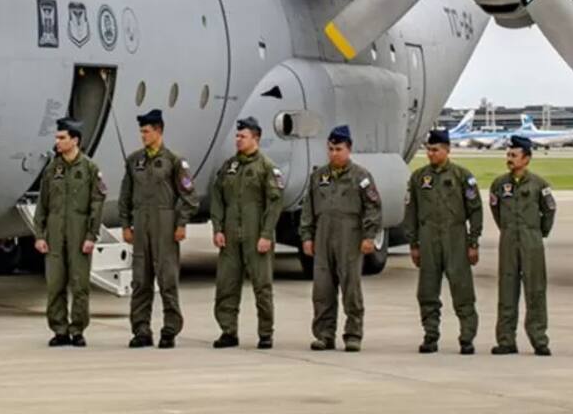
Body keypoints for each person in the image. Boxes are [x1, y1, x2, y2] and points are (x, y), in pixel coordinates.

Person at [119, 109, 200, 349]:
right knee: (141, 281)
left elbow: (190, 196)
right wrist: (125, 224)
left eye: (146, 131)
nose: (142, 136)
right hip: (141, 227)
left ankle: (170, 329)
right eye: (141, 131)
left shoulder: (174, 161)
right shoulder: (134, 161)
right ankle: (141, 330)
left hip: (165, 226)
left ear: (158, 131)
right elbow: (125, 195)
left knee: (167, 280)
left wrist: (181, 223)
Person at [300, 125, 382, 352]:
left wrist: (369, 236)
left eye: (338, 149)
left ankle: (353, 334)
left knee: (351, 288)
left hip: (350, 237)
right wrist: (307, 236)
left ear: (349, 149)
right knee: (322, 290)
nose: (333, 153)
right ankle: (324, 335)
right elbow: (308, 209)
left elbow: (373, 208)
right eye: (330, 149)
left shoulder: (361, 177)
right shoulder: (319, 176)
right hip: (324, 236)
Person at [404, 128, 482, 355]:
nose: (430, 154)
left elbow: (475, 210)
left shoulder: (461, 176)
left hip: (455, 238)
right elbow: (411, 211)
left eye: (435, 150)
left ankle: (467, 337)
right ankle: (430, 335)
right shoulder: (419, 178)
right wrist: (414, 243)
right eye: (428, 150)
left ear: (447, 150)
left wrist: (473, 241)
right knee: (427, 291)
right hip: (428, 239)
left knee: (463, 290)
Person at [210, 116, 284, 349]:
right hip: (231, 236)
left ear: (256, 138)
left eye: (243, 136)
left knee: (262, 287)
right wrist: (218, 228)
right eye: (237, 136)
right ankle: (228, 331)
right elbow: (217, 198)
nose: (238, 140)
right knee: (226, 285)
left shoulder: (267, 167)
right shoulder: (229, 167)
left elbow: (274, 203)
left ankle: (265, 333)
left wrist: (266, 234)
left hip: (256, 236)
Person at [33, 118, 106, 347]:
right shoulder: (52, 170)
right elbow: (42, 204)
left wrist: (91, 236)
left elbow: (97, 204)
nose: (58, 142)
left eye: (62, 138)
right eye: (57, 138)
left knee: (79, 285)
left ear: (75, 140)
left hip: (78, 235)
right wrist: (39, 235)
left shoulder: (89, 169)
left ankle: (77, 329)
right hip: (55, 234)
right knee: (55, 285)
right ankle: (59, 329)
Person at [488, 134, 555, 356]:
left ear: (526, 159)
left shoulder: (539, 185)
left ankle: (539, 339)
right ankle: (506, 340)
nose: (509, 158)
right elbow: (496, 211)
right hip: (508, 240)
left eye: (514, 155)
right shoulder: (499, 184)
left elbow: (549, 211)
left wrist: (539, 233)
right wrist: (507, 229)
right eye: (508, 154)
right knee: (507, 289)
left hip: (531, 241)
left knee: (535, 290)